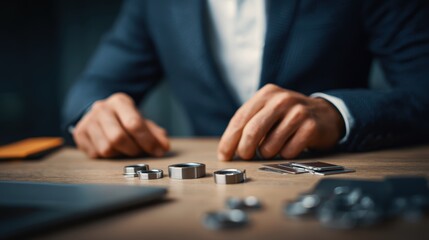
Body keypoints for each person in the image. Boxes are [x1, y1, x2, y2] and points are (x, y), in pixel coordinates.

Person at [63, 0, 429, 161]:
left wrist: (336, 112)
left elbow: (422, 90)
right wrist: (93, 113)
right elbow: (93, 86)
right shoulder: (153, 3)